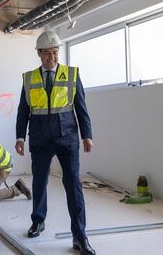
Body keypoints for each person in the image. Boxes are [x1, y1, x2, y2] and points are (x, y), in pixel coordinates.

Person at [15, 31, 95, 255]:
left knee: (74, 186)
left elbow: (81, 106)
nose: (53, 56)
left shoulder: (71, 74)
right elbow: (23, 110)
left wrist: (86, 135)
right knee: (39, 183)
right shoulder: (29, 78)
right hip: (40, 138)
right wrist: (20, 137)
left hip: (67, 137)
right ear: (39, 54)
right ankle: (38, 221)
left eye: (55, 51)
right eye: (48, 53)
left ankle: (80, 236)